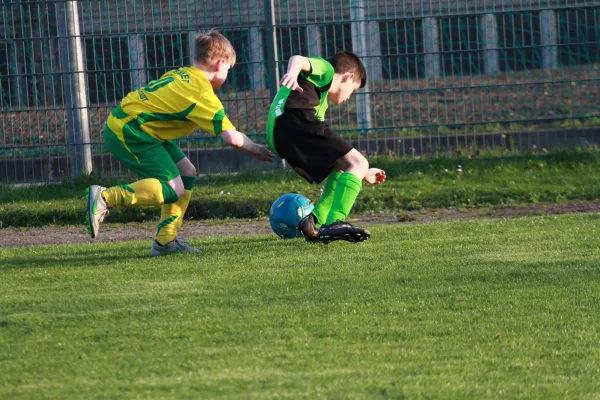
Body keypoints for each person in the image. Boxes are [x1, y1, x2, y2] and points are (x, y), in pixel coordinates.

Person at [85, 29, 273, 256]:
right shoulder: (202, 92)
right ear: (220, 64)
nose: (228, 75)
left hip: (141, 128)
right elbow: (232, 138)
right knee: (173, 189)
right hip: (131, 130)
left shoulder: (184, 74)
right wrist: (257, 149)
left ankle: (166, 242)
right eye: (229, 69)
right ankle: (105, 197)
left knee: (187, 172)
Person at [266, 51, 386, 243]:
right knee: (359, 161)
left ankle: (312, 222)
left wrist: (363, 172)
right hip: (296, 119)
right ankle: (336, 222)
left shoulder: (318, 101)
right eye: (353, 90)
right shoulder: (328, 70)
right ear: (348, 77)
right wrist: (291, 73)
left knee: (341, 167)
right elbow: (298, 59)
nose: (349, 97)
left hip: (280, 134)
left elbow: (333, 155)